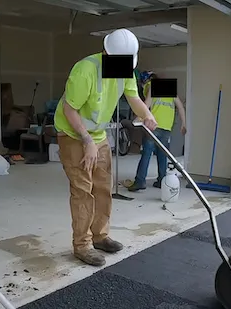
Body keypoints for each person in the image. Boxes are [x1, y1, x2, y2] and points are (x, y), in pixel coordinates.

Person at [54, 28, 158, 267]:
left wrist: (148, 115)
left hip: (98, 134)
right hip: (73, 134)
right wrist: (86, 141)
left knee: (103, 186)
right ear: (107, 53)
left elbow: (134, 99)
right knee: (83, 189)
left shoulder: (123, 69)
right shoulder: (85, 71)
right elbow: (70, 110)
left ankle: (100, 236)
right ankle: (82, 245)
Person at [127, 71, 187, 192]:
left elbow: (146, 105)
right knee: (162, 155)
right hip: (166, 128)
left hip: (153, 127)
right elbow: (180, 107)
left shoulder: (153, 86)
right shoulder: (169, 88)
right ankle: (161, 180)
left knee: (146, 154)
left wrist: (137, 118)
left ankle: (140, 181)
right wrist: (184, 123)